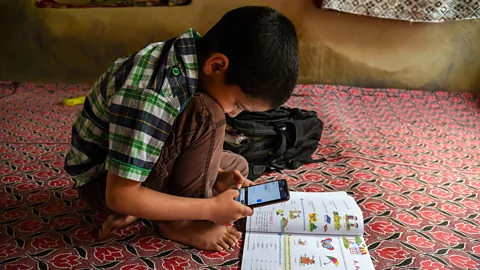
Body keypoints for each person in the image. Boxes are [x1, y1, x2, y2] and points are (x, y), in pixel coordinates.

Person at [64, 5, 299, 251]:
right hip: (103, 182)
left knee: (236, 168)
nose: (234, 114)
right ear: (217, 65)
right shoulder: (155, 93)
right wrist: (211, 209)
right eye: (238, 104)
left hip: (137, 163)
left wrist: (216, 174)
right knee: (208, 116)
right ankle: (177, 222)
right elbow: (119, 195)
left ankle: (152, 207)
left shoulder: (189, 57)